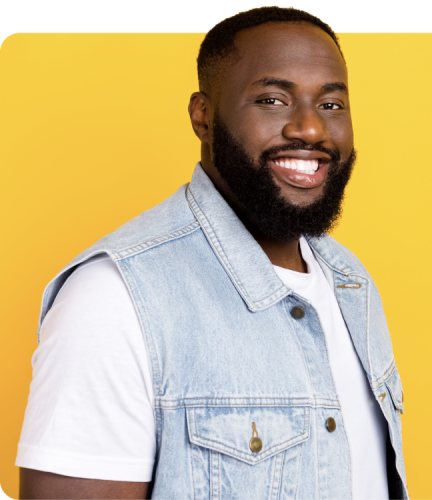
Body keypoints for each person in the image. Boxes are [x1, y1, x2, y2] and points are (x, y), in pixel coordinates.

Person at [16, 7, 408, 500]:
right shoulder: (112, 300)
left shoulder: (352, 282)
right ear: (203, 116)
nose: (311, 129)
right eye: (272, 99)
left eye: (331, 105)